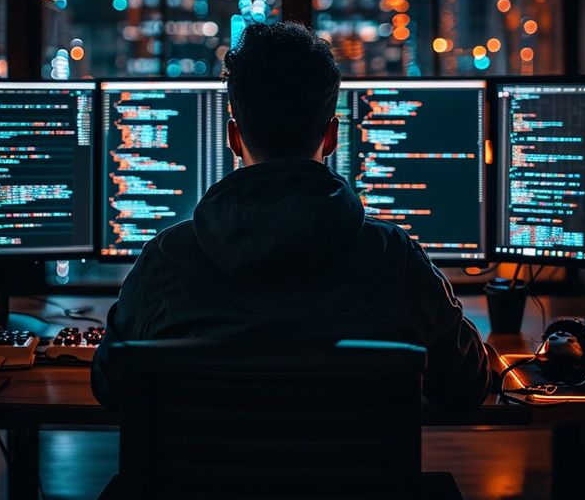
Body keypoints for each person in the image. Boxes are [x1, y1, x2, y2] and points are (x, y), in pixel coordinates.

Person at [92, 21, 491, 410]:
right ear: (332, 136)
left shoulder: (168, 259)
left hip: (206, 478)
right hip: (352, 479)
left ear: (234, 137)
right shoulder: (394, 258)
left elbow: (110, 385)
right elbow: (467, 383)